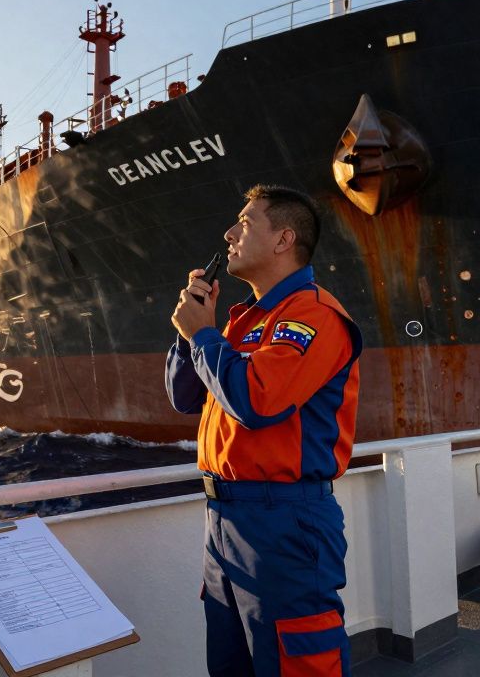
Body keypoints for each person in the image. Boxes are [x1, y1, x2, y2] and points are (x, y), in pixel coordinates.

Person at [166, 184, 362, 677]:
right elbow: (185, 397)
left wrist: (204, 336)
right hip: (224, 522)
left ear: (283, 240)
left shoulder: (314, 315)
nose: (229, 234)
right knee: (230, 663)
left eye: (246, 223)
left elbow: (256, 401)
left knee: (299, 661)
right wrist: (190, 330)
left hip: (285, 522)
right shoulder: (242, 323)